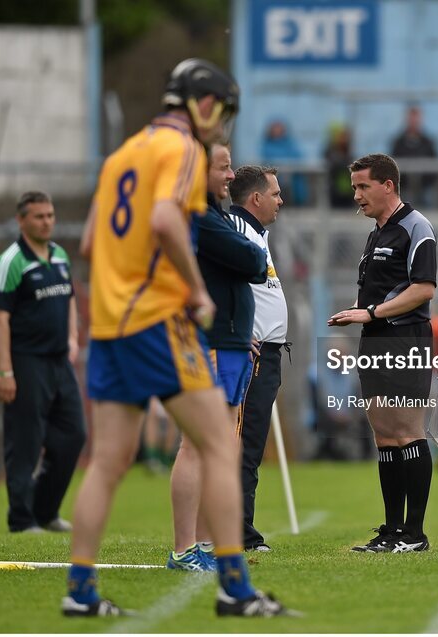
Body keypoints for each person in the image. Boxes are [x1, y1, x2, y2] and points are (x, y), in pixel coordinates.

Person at [70, 58, 290, 618]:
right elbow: (169, 223)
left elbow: (92, 242)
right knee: (219, 445)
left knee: (108, 461)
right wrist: (193, 291)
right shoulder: (184, 151)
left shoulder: (121, 154)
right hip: (159, 321)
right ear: (204, 104)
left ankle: (80, 591)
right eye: (223, 114)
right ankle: (235, 590)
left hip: (110, 325)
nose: (221, 128)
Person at [327, 153, 437, 554]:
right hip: (373, 340)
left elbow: (424, 288)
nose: (357, 195)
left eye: (363, 186)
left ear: (388, 185)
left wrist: (371, 312)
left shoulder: (416, 226)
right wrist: (361, 315)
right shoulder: (377, 232)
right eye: (354, 187)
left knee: (408, 430)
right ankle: (391, 530)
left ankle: (415, 533)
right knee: (385, 435)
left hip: (405, 340)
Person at [166, 143, 267, 572]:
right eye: (222, 167)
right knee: (196, 445)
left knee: (220, 447)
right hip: (207, 344)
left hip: (229, 344)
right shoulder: (197, 217)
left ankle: (206, 546)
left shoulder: (217, 216)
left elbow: (250, 264)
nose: (230, 175)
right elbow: (253, 258)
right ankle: (184, 549)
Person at [0, 190, 86, 534]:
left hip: (60, 363)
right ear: (21, 220)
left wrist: (73, 338)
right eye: (39, 216)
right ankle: (21, 518)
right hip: (25, 362)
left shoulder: (59, 256)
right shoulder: (10, 262)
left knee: (74, 434)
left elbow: (70, 298)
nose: (47, 222)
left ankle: (45, 511)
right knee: (25, 441)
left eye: (50, 215)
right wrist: (5, 371)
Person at [227, 165, 289, 552]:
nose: (281, 200)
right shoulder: (236, 231)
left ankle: (237, 530)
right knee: (243, 446)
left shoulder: (255, 235)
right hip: (250, 355)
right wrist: (237, 327)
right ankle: (239, 534)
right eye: (276, 193)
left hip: (267, 354)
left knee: (249, 446)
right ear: (256, 198)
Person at [390, 105, 438, 208]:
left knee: (429, 196)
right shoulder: (398, 142)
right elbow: (392, 165)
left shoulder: (428, 142)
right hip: (405, 185)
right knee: (404, 200)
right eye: (411, 118)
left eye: (416, 118)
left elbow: (435, 165)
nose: (414, 121)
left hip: (425, 184)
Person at [261, 119, 308, 206]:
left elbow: (297, 157)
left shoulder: (290, 143)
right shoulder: (267, 145)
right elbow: (267, 160)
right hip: (276, 179)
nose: (277, 131)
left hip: (291, 181)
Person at [324, 123, 355, 208]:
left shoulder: (349, 153)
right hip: (335, 191)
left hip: (348, 192)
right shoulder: (330, 152)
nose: (343, 139)